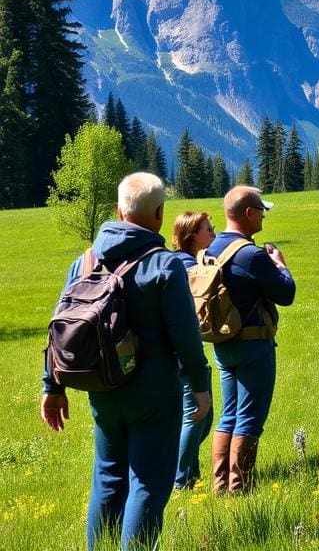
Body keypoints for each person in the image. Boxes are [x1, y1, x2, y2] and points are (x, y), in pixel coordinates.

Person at [41, 172, 211, 551]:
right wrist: (199, 387)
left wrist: (52, 386)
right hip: (155, 395)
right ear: (159, 215)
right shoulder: (164, 265)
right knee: (147, 484)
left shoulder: (83, 262)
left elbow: (59, 324)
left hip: (101, 388)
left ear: (118, 211)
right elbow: (186, 337)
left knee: (107, 478)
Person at [208, 185, 295, 494]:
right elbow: (286, 294)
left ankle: (220, 486)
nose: (263, 216)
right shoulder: (251, 255)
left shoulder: (211, 249)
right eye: (261, 210)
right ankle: (239, 488)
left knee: (228, 415)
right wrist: (280, 263)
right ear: (248, 213)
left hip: (224, 345)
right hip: (253, 345)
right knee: (249, 419)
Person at [170, 211, 217, 490]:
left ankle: (191, 472)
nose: (213, 233)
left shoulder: (178, 261)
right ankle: (180, 478)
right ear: (191, 236)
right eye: (207, 229)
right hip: (184, 350)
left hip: (176, 350)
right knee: (197, 412)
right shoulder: (189, 267)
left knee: (202, 414)